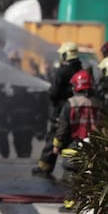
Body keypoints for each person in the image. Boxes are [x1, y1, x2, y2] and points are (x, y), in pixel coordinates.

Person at [33, 42, 83, 177]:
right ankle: (76, 168)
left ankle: (45, 167)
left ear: (66, 55)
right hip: (77, 111)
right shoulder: (81, 70)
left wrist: (51, 92)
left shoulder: (62, 71)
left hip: (60, 111)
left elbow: (54, 93)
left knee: (53, 138)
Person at [52, 69, 101, 155]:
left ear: (76, 86)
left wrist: (57, 146)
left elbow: (63, 127)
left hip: (74, 149)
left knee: (68, 165)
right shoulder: (98, 104)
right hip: (95, 149)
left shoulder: (70, 103)